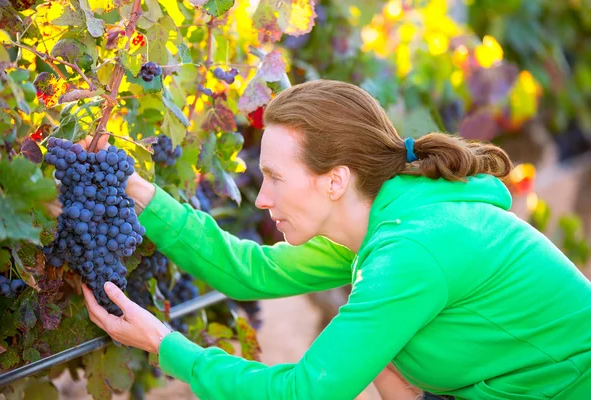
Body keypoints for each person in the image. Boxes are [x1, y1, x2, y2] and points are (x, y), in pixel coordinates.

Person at [82, 80, 591, 400]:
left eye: (275, 178)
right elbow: (247, 270)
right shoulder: (371, 224)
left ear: (336, 180)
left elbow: (307, 391)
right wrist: (136, 190)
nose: (261, 200)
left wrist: (164, 345)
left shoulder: (411, 250)